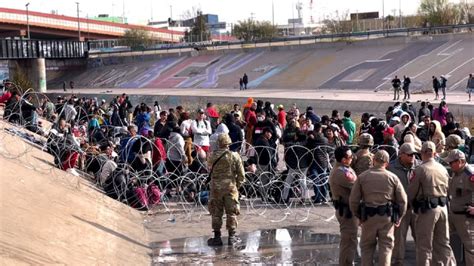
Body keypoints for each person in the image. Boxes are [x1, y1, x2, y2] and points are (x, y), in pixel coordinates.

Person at [349, 150, 407, 266]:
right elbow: (403, 200)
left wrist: (358, 215)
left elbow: (353, 200)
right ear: (387, 163)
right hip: (387, 217)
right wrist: (399, 216)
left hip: (368, 217)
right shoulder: (393, 177)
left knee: (367, 247)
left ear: (374, 160)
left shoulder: (362, 177)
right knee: (386, 247)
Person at [408, 141, 456, 265]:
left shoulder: (420, 169)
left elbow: (412, 192)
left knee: (424, 245)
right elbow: (449, 188)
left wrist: (412, 205)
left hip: (427, 210)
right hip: (443, 207)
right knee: (443, 243)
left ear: (422, 153)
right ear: (434, 153)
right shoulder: (442, 168)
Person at [207, 134, 245, 246]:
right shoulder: (234, 156)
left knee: (216, 213)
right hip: (230, 187)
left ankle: (217, 237)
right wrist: (236, 186)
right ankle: (232, 237)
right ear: (228, 143)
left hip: (216, 188)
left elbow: (209, 168)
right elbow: (241, 175)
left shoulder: (212, 156)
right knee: (231, 212)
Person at [387, 143, 419, 265]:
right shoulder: (391, 168)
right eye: (409, 155)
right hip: (400, 209)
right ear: (401, 155)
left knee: (421, 238)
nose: (412, 157)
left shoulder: (419, 166)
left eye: (414, 155)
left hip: (417, 208)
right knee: (399, 239)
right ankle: (398, 262)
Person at [329, 146, 358, 265]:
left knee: (351, 240)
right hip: (346, 211)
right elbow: (357, 185)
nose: (352, 158)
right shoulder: (341, 172)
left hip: (348, 210)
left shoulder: (344, 168)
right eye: (349, 157)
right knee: (349, 241)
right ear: (343, 159)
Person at [443, 149, 474, 265]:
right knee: (445, 242)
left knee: (470, 249)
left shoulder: (469, 175)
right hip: (454, 215)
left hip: (466, 218)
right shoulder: (456, 173)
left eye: (451, 163)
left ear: (460, 161)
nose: (449, 165)